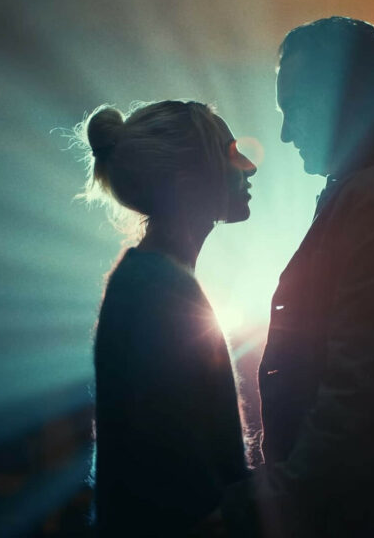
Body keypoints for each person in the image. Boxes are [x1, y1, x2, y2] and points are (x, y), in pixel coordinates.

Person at [220, 17, 374, 537]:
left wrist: (283, 495)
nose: (286, 133)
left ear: (347, 96)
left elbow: (363, 390)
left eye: (294, 109)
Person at [81, 100, 258, 536]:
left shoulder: (151, 281)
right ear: (186, 183)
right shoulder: (159, 290)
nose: (250, 167)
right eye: (231, 153)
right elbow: (182, 484)